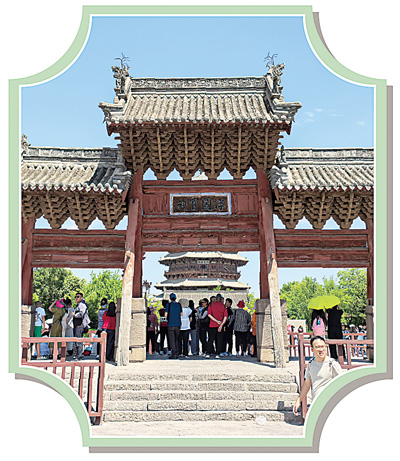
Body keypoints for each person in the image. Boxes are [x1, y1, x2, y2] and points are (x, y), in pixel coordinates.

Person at [293, 336, 342, 415]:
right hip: (316, 403)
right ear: (312, 350)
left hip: (330, 405)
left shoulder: (332, 364)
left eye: (322, 346)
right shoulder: (311, 363)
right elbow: (307, 383)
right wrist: (298, 400)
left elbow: (342, 383)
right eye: (317, 347)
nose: (321, 349)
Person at [206, 293, 227, 358]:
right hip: (220, 325)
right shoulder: (223, 306)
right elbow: (225, 316)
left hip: (212, 325)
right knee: (219, 340)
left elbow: (209, 314)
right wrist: (221, 325)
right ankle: (218, 353)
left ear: (215, 299)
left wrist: (216, 321)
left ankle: (208, 353)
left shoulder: (211, 305)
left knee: (210, 339)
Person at [165, 293, 182, 359]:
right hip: (178, 324)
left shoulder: (168, 305)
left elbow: (166, 315)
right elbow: (181, 314)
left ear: (170, 298)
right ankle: (177, 352)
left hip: (170, 324)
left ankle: (174, 353)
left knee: (172, 340)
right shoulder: (179, 305)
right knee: (176, 339)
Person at [71, 292, 88, 360]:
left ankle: (79, 355)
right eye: (75, 297)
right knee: (77, 340)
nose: (76, 298)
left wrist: (74, 315)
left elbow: (81, 313)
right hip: (77, 325)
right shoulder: (79, 305)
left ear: (81, 298)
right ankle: (78, 354)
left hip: (80, 325)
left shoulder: (82, 304)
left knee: (79, 340)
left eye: (78, 297)